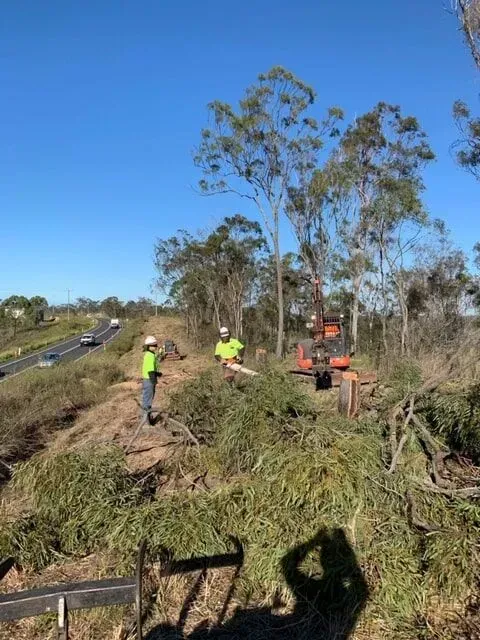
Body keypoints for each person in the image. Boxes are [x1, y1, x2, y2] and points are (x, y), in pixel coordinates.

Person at [142, 335, 161, 424]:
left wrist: (158, 373)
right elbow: (150, 371)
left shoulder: (150, 355)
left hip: (148, 379)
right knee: (147, 402)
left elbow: (151, 369)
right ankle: (146, 422)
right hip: (149, 380)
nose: (156, 347)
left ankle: (148, 419)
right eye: (154, 345)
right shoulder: (150, 356)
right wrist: (154, 382)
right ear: (149, 346)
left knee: (148, 400)